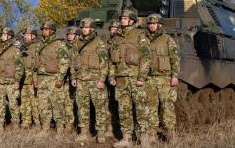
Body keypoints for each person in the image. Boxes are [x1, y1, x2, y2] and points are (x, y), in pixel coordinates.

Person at [109, 10, 152, 147]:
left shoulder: (140, 35)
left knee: (141, 109)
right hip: (120, 79)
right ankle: (127, 138)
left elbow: (146, 58)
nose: (122, 20)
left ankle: (144, 139)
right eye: (121, 18)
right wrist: (112, 75)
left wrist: (142, 77)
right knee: (123, 109)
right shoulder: (116, 38)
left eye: (125, 18)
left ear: (132, 20)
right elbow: (111, 60)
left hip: (135, 78)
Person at [71, 18, 109, 143]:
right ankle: (84, 132)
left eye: (86, 27)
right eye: (82, 28)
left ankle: (101, 133)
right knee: (82, 108)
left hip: (95, 80)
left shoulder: (99, 43)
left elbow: (104, 63)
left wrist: (102, 80)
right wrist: (74, 77)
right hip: (81, 80)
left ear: (92, 28)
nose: (84, 29)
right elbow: (73, 61)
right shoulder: (77, 42)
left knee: (99, 107)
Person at [145, 14, 180, 143]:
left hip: (165, 78)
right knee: (151, 107)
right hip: (150, 79)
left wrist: (175, 76)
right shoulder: (144, 40)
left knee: (167, 107)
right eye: (150, 24)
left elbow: (175, 60)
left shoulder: (167, 40)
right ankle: (152, 135)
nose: (152, 26)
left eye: (154, 23)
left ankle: (171, 136)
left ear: (160, 24)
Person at [33, 21, 69, 135]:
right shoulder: (39, 45)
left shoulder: (59, 44)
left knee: (57, 105)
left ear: (52, 31)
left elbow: (64, 63)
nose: (43, 31)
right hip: (42, 79)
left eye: (46, 29)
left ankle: (60, 129)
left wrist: (60, 79)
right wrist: (35, 79)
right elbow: (35, 64)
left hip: (54, 78)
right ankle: (45, 128)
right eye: (42, 29)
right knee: (43, 105)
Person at [0, 27, 23, 129]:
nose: (2, 36)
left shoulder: (15, 50)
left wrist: (17, 81)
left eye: (5, 35)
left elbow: (20, 67)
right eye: (2, 34)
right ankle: (0, 124)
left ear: (9, 36)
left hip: (11, 82)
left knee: (13, 104)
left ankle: (16, 123)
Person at [19, 27, 39, 129]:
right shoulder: (21, 47)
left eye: (27, 34)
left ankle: (37, 123)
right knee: (24, 102)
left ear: (33, 35)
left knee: (35, 103)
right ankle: (26, 121)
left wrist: (36, 80)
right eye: (24, 34)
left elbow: (37, 65)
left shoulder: (37, 46)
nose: (25, 36)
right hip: (23, 80)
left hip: (33, 80)